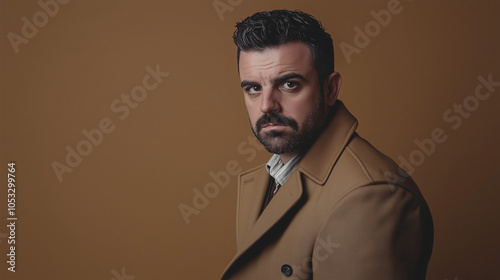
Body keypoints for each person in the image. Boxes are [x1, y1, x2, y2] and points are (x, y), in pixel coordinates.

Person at [220, 9, 433, 280]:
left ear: (330, 89)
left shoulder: (371, 196)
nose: (266, 105)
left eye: (288, 84)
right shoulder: (269, 177)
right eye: (253, 88)